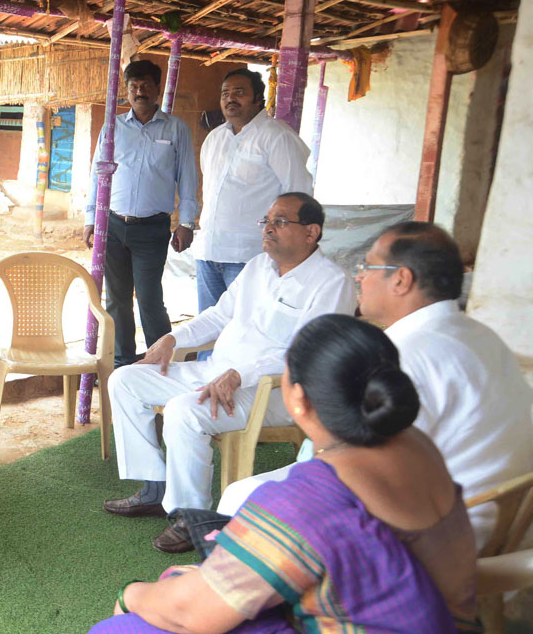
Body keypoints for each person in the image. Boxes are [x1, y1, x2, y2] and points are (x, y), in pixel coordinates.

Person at [82, 315, 489, 634]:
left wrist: (130, 593)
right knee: (186, 577)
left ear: (297, 398)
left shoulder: (310, 497)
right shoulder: (419, 447)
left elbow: (193, 613)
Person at [207, 222, 533, 551]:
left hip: (441, 532)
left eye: (368, 266)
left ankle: (239, 592)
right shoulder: (477, 333)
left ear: (402, 280)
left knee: (244, 497)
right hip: (498, 515)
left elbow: (368, 468)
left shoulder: (405, 353)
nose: (358, 276)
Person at [101, 193, 355, 546]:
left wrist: (241, 374)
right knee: (125, 379)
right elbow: (219, 316)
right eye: (265, 221)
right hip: (217, 371)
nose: (268, 229)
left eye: (279, 222)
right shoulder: (257, 267)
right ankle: (155, 488)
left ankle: (192, 517)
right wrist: (173, 339)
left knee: (184, 411)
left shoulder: (333, 282)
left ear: (311, 232)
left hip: (278, 390)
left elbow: (310, 352)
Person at [84, 59, 198, 367]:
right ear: (127, 90)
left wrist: (186, 222)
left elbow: (188, 176)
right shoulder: (113, 128)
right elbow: (97, 175)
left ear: (158, 89)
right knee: (117, 299)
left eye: (146, 85)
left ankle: (160, 363)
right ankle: (122, 363)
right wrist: (91, 218)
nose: (140, 91)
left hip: (152, 229)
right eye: (133, 86)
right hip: (113, 225)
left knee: (148, 298)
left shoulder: (176, 129)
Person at [192, 69, 312, 314]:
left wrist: (290, 250)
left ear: (258, 98)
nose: (230, 99)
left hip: (250, 255)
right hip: (208, 251)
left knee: (245, 331)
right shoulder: (214, 139)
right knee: (207, 329)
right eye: (225, 93)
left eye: (239, 92)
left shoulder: (277, 137)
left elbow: (299, 194)